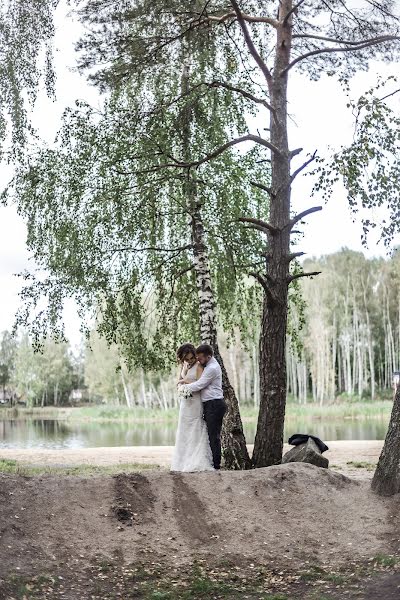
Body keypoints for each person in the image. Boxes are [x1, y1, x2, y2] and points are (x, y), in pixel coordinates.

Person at [179, 344, 227, 470]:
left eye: (199, 357)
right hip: (208, 403)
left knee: (213, 435)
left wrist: (183, 386)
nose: (197, 360)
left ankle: (216, 465)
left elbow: (199, 384)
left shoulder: (211, 368)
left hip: (214, 403)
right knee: (210, 434)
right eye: (197, 357)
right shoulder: (207, 364)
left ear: (208, 356)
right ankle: (212, 462)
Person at [170, 343, 214, 472]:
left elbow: (200, 383)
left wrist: (184, 382)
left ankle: (195, 460)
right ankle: (182, 461)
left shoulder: (199, 366)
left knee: (194, 427)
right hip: (185, 403)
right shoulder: (184, 366)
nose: (190, 361)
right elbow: (179, 380)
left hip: (195, 402)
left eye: (191, 358)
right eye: (187, 359)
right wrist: (180, 388)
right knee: (184, 428)